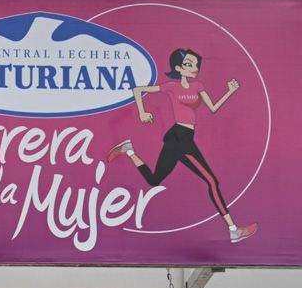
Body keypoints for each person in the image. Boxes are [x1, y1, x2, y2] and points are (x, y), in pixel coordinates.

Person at [105, 48, 258, 244]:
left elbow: (213, 108)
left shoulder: (198, 86)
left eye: (195, 65)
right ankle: (233, 230)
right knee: (212, 181)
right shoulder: (171, 86)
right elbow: (138, 90)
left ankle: (129, 150)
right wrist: (142, 112)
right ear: (178, 68)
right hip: (179, 137)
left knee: (154, 180)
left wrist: (230, 91)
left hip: (182, 138)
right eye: (188, 64)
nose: (194, 68)